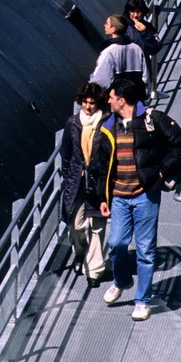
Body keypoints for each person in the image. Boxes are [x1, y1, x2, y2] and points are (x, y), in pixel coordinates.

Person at [100, 77, 181, 320]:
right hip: (118, 196)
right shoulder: (108, 126)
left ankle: (142, 300)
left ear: (122, 99)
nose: (107, 100)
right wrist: (103, 197)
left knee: (146, 250)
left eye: (111, 96)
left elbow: (179, 144)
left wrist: (161, 172)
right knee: (117, 244)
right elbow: (102, 167)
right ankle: (121, 281)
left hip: (145, 195)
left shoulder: (153, 120)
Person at [59, 82, 114, 284]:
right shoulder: (73, 123)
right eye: (85, 102)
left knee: (98, 227)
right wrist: (71, 173)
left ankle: (94, 271)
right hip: (78, 182)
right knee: (77, 226)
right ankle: (80, 253)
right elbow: (67, 152)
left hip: (99, 182)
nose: (88, 106)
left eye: (92, 103)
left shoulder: (107, 123)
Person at [89, 13, 148, 93]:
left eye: (107, 24)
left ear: (113, 29)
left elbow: (101, 79)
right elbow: (145, 76)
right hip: (135, 97)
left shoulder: (108, 51)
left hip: (117, 99)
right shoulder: (137, 48)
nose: (104, 25)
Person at [124, 0, 162, 104]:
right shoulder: (122, 26)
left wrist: (144, 32)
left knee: (140, 102)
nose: (135, 15)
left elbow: (156, 47)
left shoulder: (148, 27)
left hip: (141, 69)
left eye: (138, 11)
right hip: (125, 69)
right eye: (132, 11)